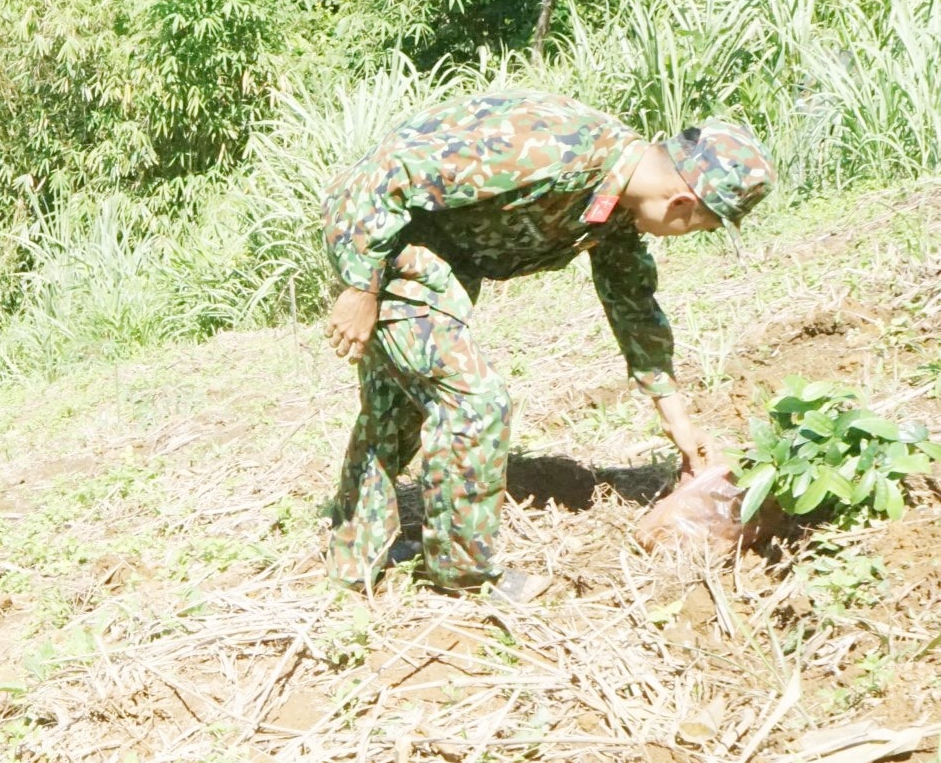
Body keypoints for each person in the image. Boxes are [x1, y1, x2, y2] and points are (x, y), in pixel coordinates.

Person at [322, 90, 774, 599]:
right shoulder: (552, 148)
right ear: (682, 203)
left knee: (395, 407)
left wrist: (678, 419)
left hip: (439, 264)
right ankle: (462, 574)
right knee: (474, 404)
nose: (688, 235)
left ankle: (355, 555)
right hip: (389, 244)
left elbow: (632, 301)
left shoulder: (620, 199)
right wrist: (361, 285)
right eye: (702, 227)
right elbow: (384, 174)